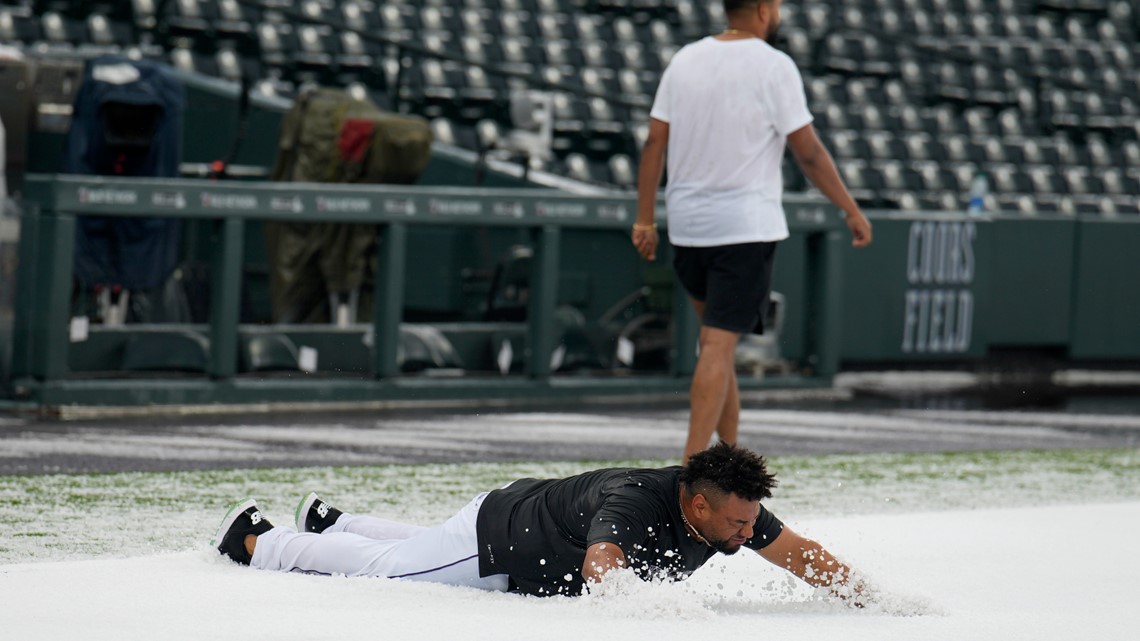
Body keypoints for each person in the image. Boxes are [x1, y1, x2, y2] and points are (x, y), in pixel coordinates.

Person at [632, 0, 874, 463]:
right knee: (719, 346)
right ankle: (690, 468)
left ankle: (731, 459)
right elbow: (808, 153)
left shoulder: (685, 58)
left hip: (688, 227)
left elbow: (654, 143)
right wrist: (850, 208)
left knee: (716, 345)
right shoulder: (774, 65)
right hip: (743, 227)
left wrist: (644, 218)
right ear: (763, 10)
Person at [212, 442, 867, 601]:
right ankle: (257, 540)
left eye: (752, 522)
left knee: (418, 546)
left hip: (517, 510)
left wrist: (868, 595)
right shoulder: (638, 502)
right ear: (697, 503)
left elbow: (800, 551)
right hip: (502, 540)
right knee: (394, 570)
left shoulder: (733, 510)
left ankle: (332, 520)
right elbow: (600, 566)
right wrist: (653, 617)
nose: (748, 534)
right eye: (738, 522)